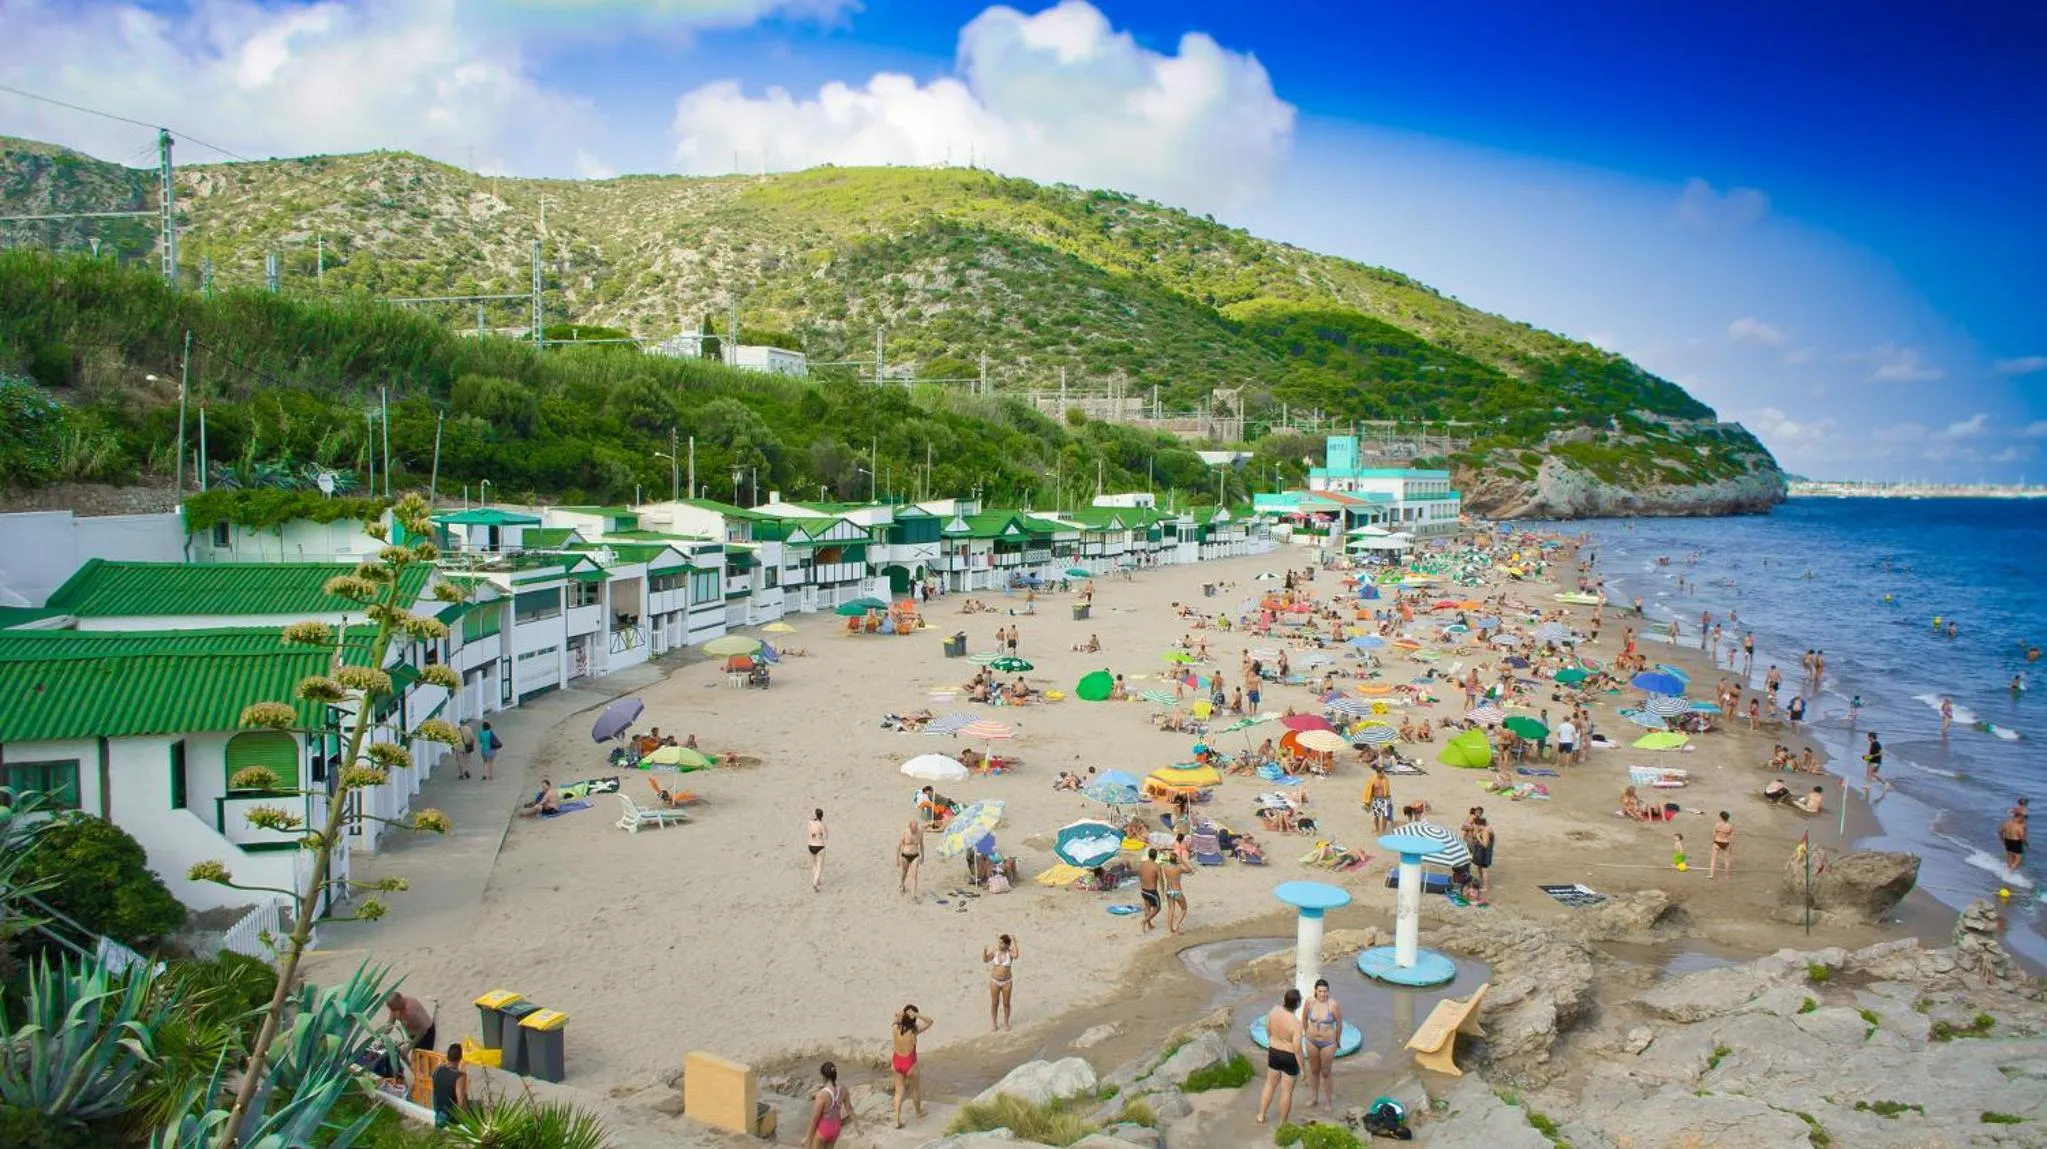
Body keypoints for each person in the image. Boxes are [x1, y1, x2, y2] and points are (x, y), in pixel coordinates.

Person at [1255, 988, 1303, 1125]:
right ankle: (1282, 1124)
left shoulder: (1274, 1011)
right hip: (1289, 1056)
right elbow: (1297, 1049)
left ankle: (1261, 1115)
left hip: (1274, 1051)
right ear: (1297, 1004)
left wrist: (1272, 1040)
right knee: (1286, 1091)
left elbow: (1267, 1027)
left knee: (1270, 1084)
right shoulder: (1296, 1023)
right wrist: (1303, 1069)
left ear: (1284, 1000)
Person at [1302, 978, 1344, 1111]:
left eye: (1325, 991)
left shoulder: (1333, 1005)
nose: (1323, 994)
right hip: (1311, 1041)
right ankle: (1314, 1098)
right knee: (1314, 1070)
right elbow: (1304, 1018)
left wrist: (1338, 1040)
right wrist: (1306, 1032)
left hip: (1328, 1043)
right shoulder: (1309, 1002)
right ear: (1315, 991)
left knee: (1326, 1072)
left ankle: (1328, 1102)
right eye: (1320, 991)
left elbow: (1339, 1023)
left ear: (1328, 991)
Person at [890, 1006, 932, 1128]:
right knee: (915, 1089)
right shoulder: (913, 1031)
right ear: (913, 1018)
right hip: (910, 1063)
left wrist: (899, 1017)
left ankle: (896, 1120)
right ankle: (918, 1112)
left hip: (896, 1061)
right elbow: (930, 1021)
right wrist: (917, 1015)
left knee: (898, 1092)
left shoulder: (895, 1027)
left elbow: (896, 1020)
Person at [808, 1061, 851, 1149]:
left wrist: (808, 1138)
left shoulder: (821, 1095)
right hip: (836, 1128)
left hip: (824, 1128)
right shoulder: (843, 1089)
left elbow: (814, 1119)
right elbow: (849, 1108)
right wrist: (858, 1126)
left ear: (824, 1077)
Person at [983, 933, 1019, 1031]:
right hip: (995, 981)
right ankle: (994, 1024)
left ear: (1007, 945)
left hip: (1006, 982)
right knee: (994, 1003)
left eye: (1002, 943)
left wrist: (1015, 943)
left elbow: (1016, 956)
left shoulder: (1010, 953)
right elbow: (985, 960)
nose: (999, 945)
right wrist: (985, 952)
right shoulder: (995, 952)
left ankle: (1006, 1022)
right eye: (999, 943)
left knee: (1006, 1003)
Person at [386, 991, 435, 1057]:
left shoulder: (410, 1011)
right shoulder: (395, 1008)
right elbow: (390, 1024)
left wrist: (408, 1048)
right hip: (413, 1034)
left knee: (423, 1057)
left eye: (393, 1007)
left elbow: (422, 1031)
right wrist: (381, 1037)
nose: (392, 1010)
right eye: (391, 1008)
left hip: (426, 1033)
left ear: (399, 1001)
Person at [431, 1042, 469, 1128]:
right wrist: (466, 1120)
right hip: (451, 1118)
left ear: (447, 1056)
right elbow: (461, 1101)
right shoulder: (460, 1076)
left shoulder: (437, 1070)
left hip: (439, 1114)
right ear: (460, 1058)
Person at [1162, 853, 1190, 934]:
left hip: (1169, 890)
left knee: (1171, 909)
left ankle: (1170, 928)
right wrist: (1183, 861)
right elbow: (1189, 870)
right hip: (1177, 890)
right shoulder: (1179, 867)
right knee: (1184, 908)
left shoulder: (1165, 867)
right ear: (1176, 860)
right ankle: (1176, 925)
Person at [1137, 849, 1163, 933]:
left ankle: (1148, 925)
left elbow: (1140, 876)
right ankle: (1144, 921)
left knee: (1147, 907)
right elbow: (1161, 879)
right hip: (1152, 891)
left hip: (1143, 890)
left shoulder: (1142, 864)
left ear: (1148, 855)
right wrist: (1162, 891)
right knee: (1157, 907)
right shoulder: (1156, 866)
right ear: (1156, 856)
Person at [897, 820, 924, 898]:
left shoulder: (920, 832)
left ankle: (913, 894)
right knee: (904, 872)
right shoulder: (905, 832)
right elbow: (898, 846)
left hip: (915, 856)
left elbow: (921, 844)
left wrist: (922, 856)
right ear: (910, 827)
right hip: (905, 855)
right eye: (913, 829)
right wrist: (897, 859)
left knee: (914, 875)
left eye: (916, 828)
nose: (914, 830)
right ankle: (902, 884)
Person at [1364, 764, 1393, 833]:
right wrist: (1367, 801)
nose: (1383, 775)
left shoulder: (1385, 779)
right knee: (1376, 816)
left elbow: (1388, 790)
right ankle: (1377, 829)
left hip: (1384, 799)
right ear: (1378, 773)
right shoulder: (1373, 780)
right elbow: (1368, 790)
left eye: (1384, 773)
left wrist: (1389, 801)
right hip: (1376, 800)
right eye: (1382, 773)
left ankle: (1384, 830)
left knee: (1385, 815)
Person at [807, 808, 829, 892]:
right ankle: (815, 882)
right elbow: (826, 836)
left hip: (811, 845)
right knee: (820, 866)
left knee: (814, 864)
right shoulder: (822, 824)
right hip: (819, 846)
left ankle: (817, 880)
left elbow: (810, 827)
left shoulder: (810, 822)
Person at [1710, 811, 1734, 879]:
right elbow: (1731, 837)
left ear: (1721, 817)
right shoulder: (1730, 826)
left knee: (1714, 859)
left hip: (1717, 842)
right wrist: (1730, 845)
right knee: (1727, 860)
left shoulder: (1717, 825)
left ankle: (1712, 875)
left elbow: (1714, 834)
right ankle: (1727, 875)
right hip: (1726, 842)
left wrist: (1713, 842)